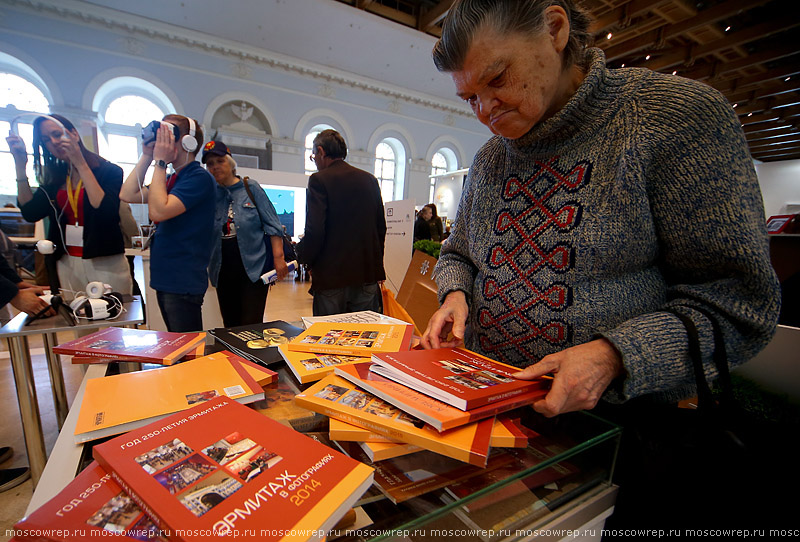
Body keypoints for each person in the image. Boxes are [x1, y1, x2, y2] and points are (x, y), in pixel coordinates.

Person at [422, 0, 780, 526]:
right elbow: (459, 252)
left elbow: (740, 303)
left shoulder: (673, 120)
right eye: (470, 96)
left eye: (498, 79)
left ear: (555, 28)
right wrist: (456, 293)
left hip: (622, 440)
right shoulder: (491, 158)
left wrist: (616, 355)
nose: (485, 110)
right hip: (497, 423)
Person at [6, 114, 132, 297]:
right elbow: (30, 212)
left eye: (57, 134)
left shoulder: (108, 171)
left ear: (74, 134)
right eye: (46, 140)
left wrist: (80, 163)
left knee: (113, 318)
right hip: (65, 260)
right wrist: (20, 165)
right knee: (78, 320)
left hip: (104, 259)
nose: (54, 142)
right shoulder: (55, 177)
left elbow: (105, 211)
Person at [120, 115, 215, 332]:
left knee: (186, 348)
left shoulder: (198, 177)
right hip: (167, 277)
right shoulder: (172, 179)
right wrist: (146, 155)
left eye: (167, 136)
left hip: (183, 281)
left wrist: (160, 162)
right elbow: (127, 193)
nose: (162, 142)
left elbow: (158, 211)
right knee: (177, 344)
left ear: (187, 142)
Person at [296, 129, 386, 316]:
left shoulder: (319, 180)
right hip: (366, 275)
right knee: (363, 338)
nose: (316, 162)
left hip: (331, 277)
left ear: (320, 151)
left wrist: (307, 260)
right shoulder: (370, 180)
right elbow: (380, 229)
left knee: (328, 339)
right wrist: (376, 267)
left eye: (314, 156)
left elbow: (316, 230)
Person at [203, 141, 288, 327]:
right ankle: (233, 357)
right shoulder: (212, 194)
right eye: (210, 164)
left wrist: (279, 259)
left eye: (220, 161)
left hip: (253, 269)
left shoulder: (251, 187)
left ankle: (250, 357)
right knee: (230, 324)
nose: (215, 167)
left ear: (230, 163)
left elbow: (273, 225)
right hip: (223, 269)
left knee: (251, 323)